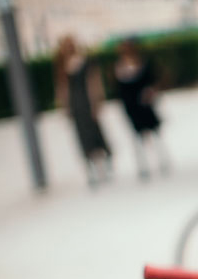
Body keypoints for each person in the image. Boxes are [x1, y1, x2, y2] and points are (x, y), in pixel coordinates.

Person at [54, 34, 112, 188]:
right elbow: (62, 89)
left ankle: (104, 166)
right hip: (76, 106)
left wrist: (97, 103)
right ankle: (91, 170)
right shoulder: (63, 67)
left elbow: (95, 83)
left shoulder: (85, 61)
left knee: (96, 135)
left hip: (88, 103)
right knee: (82, 139)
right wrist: (65, 108)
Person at [114, 37, 171, 180]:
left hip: (145, 103)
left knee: (154, 132)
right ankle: (143, 166)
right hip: (131, 106)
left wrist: (151, 92)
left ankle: (162, 159)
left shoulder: (144, 63)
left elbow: (154, 80)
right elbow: (119, 90)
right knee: (137, 136)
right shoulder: (119, 68)